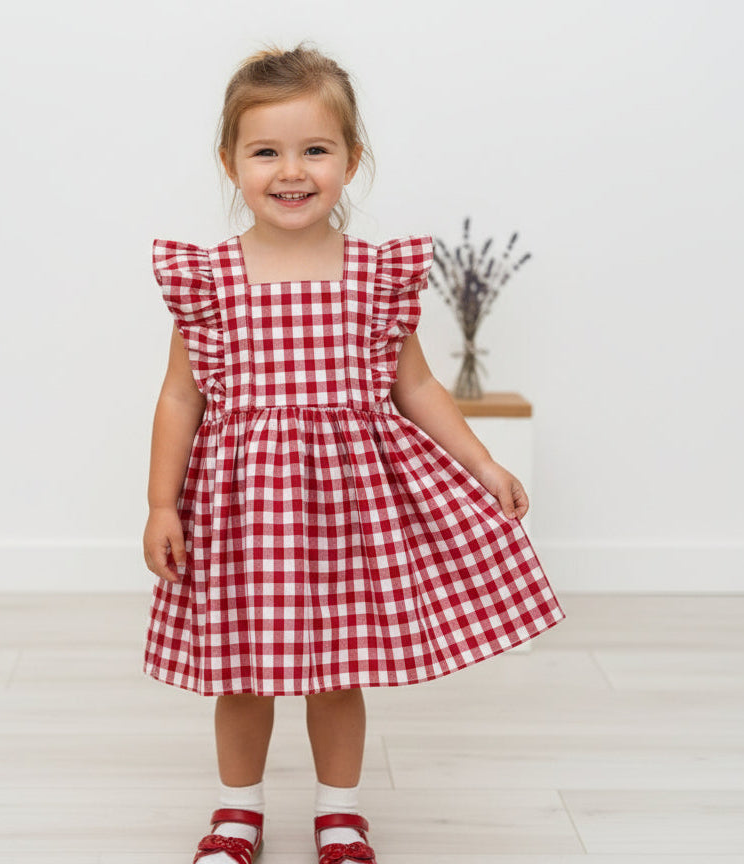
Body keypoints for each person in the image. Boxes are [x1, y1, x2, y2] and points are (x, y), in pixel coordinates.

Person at [142, 43, 566, 864]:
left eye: (315, 150)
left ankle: (340, 813)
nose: (290, 170)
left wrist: (481, 463)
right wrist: (162, 502)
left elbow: (417, 387)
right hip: (244, 514)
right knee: (241, 671)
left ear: (351, 160)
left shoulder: (375, 277)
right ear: (229, 162)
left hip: (346, 511)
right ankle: (238, 813)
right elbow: (179, 396)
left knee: (340, 669)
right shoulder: (211, 280)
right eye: (265, 150)